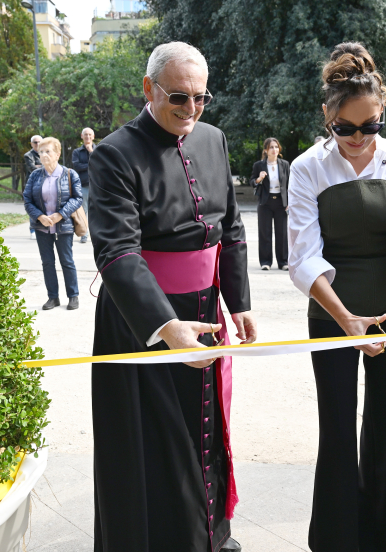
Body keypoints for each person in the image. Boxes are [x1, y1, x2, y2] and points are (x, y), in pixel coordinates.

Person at [88, 41, 256, 552]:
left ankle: (211, 536)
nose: (191, 110)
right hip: (143, 323)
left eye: (201, 99)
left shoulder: (213, 138)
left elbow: (229, 227)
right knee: (155, 449)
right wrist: (164, 326)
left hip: (204, 311)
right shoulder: (115, 154)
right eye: (179, 97)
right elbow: (117, 252)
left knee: (208, 435)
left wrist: (239, 301)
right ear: (149, 89)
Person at [287, 42, 386, 552]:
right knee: (336, 428)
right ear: (326, 117)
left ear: (383, 113)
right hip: (332, 312)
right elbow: (304, 257)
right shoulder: (307, 167)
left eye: (370, 126)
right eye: (345, 128)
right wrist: (345, 318)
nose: (359, 138)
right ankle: (336, 541)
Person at [23, 137, 82, 311]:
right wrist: (40, 216)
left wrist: (61, 215)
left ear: (57, 154)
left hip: (63, 227)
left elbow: (77, 198)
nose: (43, 155)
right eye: (41, 152)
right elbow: (27, 199)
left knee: (67, 261)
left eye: (47, 151)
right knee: (47, 262)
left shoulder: (69, 174)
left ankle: (73, 296)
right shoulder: (35, 175)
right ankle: (53, 298)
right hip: (42, 227)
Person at [250, 138, 290, 270]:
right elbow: (252, 182)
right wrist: (259, 178)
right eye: (271, 147)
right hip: (265, 203)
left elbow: (290, 184)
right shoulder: (259, 165)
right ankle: (265, 262)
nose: (274, 150)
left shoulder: (284, 164)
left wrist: (289, 202)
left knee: (282, 234)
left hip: (281, 202)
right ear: (266, 150)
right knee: (265, 233)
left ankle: (283, 262)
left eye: (276, 147)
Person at [71, 127, 96, 244]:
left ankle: (97, 236)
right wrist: (92, 164)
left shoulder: (98, 150)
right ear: (82, 136)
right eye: (85, 134)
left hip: (97, 186)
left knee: (97, 211)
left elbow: (101, 164)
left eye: (90, 135)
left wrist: (91, 152)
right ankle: (84, 235)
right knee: (84, 211)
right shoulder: (77, 152)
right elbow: (77, 167)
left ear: (93, 136)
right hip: (83, 186)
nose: (88, 137)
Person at [24, 135, 43, 240]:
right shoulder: (28, 155)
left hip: (45, 184)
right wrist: (43, 166)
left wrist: (39, 165)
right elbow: (32, 168)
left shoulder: (45, 153)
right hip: (33, 185)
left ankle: (42, 228)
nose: (37, 144)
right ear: (31, 144)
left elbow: (52, 165)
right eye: (35, 142)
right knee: (33, 207)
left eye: (39, 142)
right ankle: (33, 230)